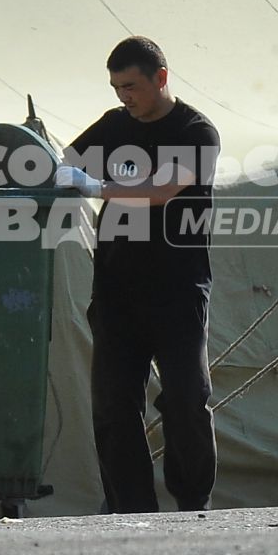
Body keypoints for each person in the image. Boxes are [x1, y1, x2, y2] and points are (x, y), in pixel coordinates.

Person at [58, 36, 222, 514]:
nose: (122, 97)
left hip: (178, 289)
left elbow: (163, 189)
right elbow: (61, 163)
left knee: (187, 399)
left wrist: (98, 185)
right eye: (115, 87)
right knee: (112, 407)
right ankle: (130, 509)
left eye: (130, 85)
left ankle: (193, 504)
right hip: (115, 291)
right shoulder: (113, 125)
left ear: (161, 78)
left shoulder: (196, 130)